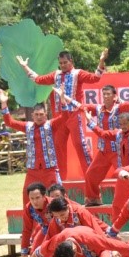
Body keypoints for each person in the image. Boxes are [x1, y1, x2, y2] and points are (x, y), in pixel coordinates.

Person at [16, 49, 108, 179]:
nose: (63, 65)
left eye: (65, 62)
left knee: (80, 146)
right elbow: (38, 79)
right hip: (59, 117)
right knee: (58, 149)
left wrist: (101, 61)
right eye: (60, 63)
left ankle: (91, 179)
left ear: (71, 61)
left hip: (75, 114)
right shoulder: (56, 75)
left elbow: (96, 78)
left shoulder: (78, 73)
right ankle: (60, 182)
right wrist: (25, 66)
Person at [0, 89, 71, 205]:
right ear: (32, 115)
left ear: (45, 115)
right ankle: (30, 221)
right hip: (33, 170)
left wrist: (62, 100)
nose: (39, 117)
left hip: (50, 169)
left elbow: (65, 117)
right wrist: (4, 103)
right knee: (27, 196)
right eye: (36, 115)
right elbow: (9, 122)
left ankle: (67, 217)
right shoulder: (28, 127)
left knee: (58, 195)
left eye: (41, 115)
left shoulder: (51, 125)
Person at [83, 84, 129, 206]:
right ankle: (93, 199)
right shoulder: (98, 109)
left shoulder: (119, 108)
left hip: (118, 151)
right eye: (104, 94)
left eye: (108, 94)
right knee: (90, 174)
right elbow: (82, 107)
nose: (105, 96)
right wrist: (66, 99)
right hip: (103, 150)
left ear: (114, 96)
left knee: (125, 176)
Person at [20, 182, 52, 257]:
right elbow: (26, 230)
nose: (34, 201)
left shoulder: (53, 204)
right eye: (31, 198)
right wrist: (24, 251)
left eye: (38, 198)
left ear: (44, 196)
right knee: (34, 253)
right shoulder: (29, 208)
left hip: (60, 231)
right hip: (44, 230)